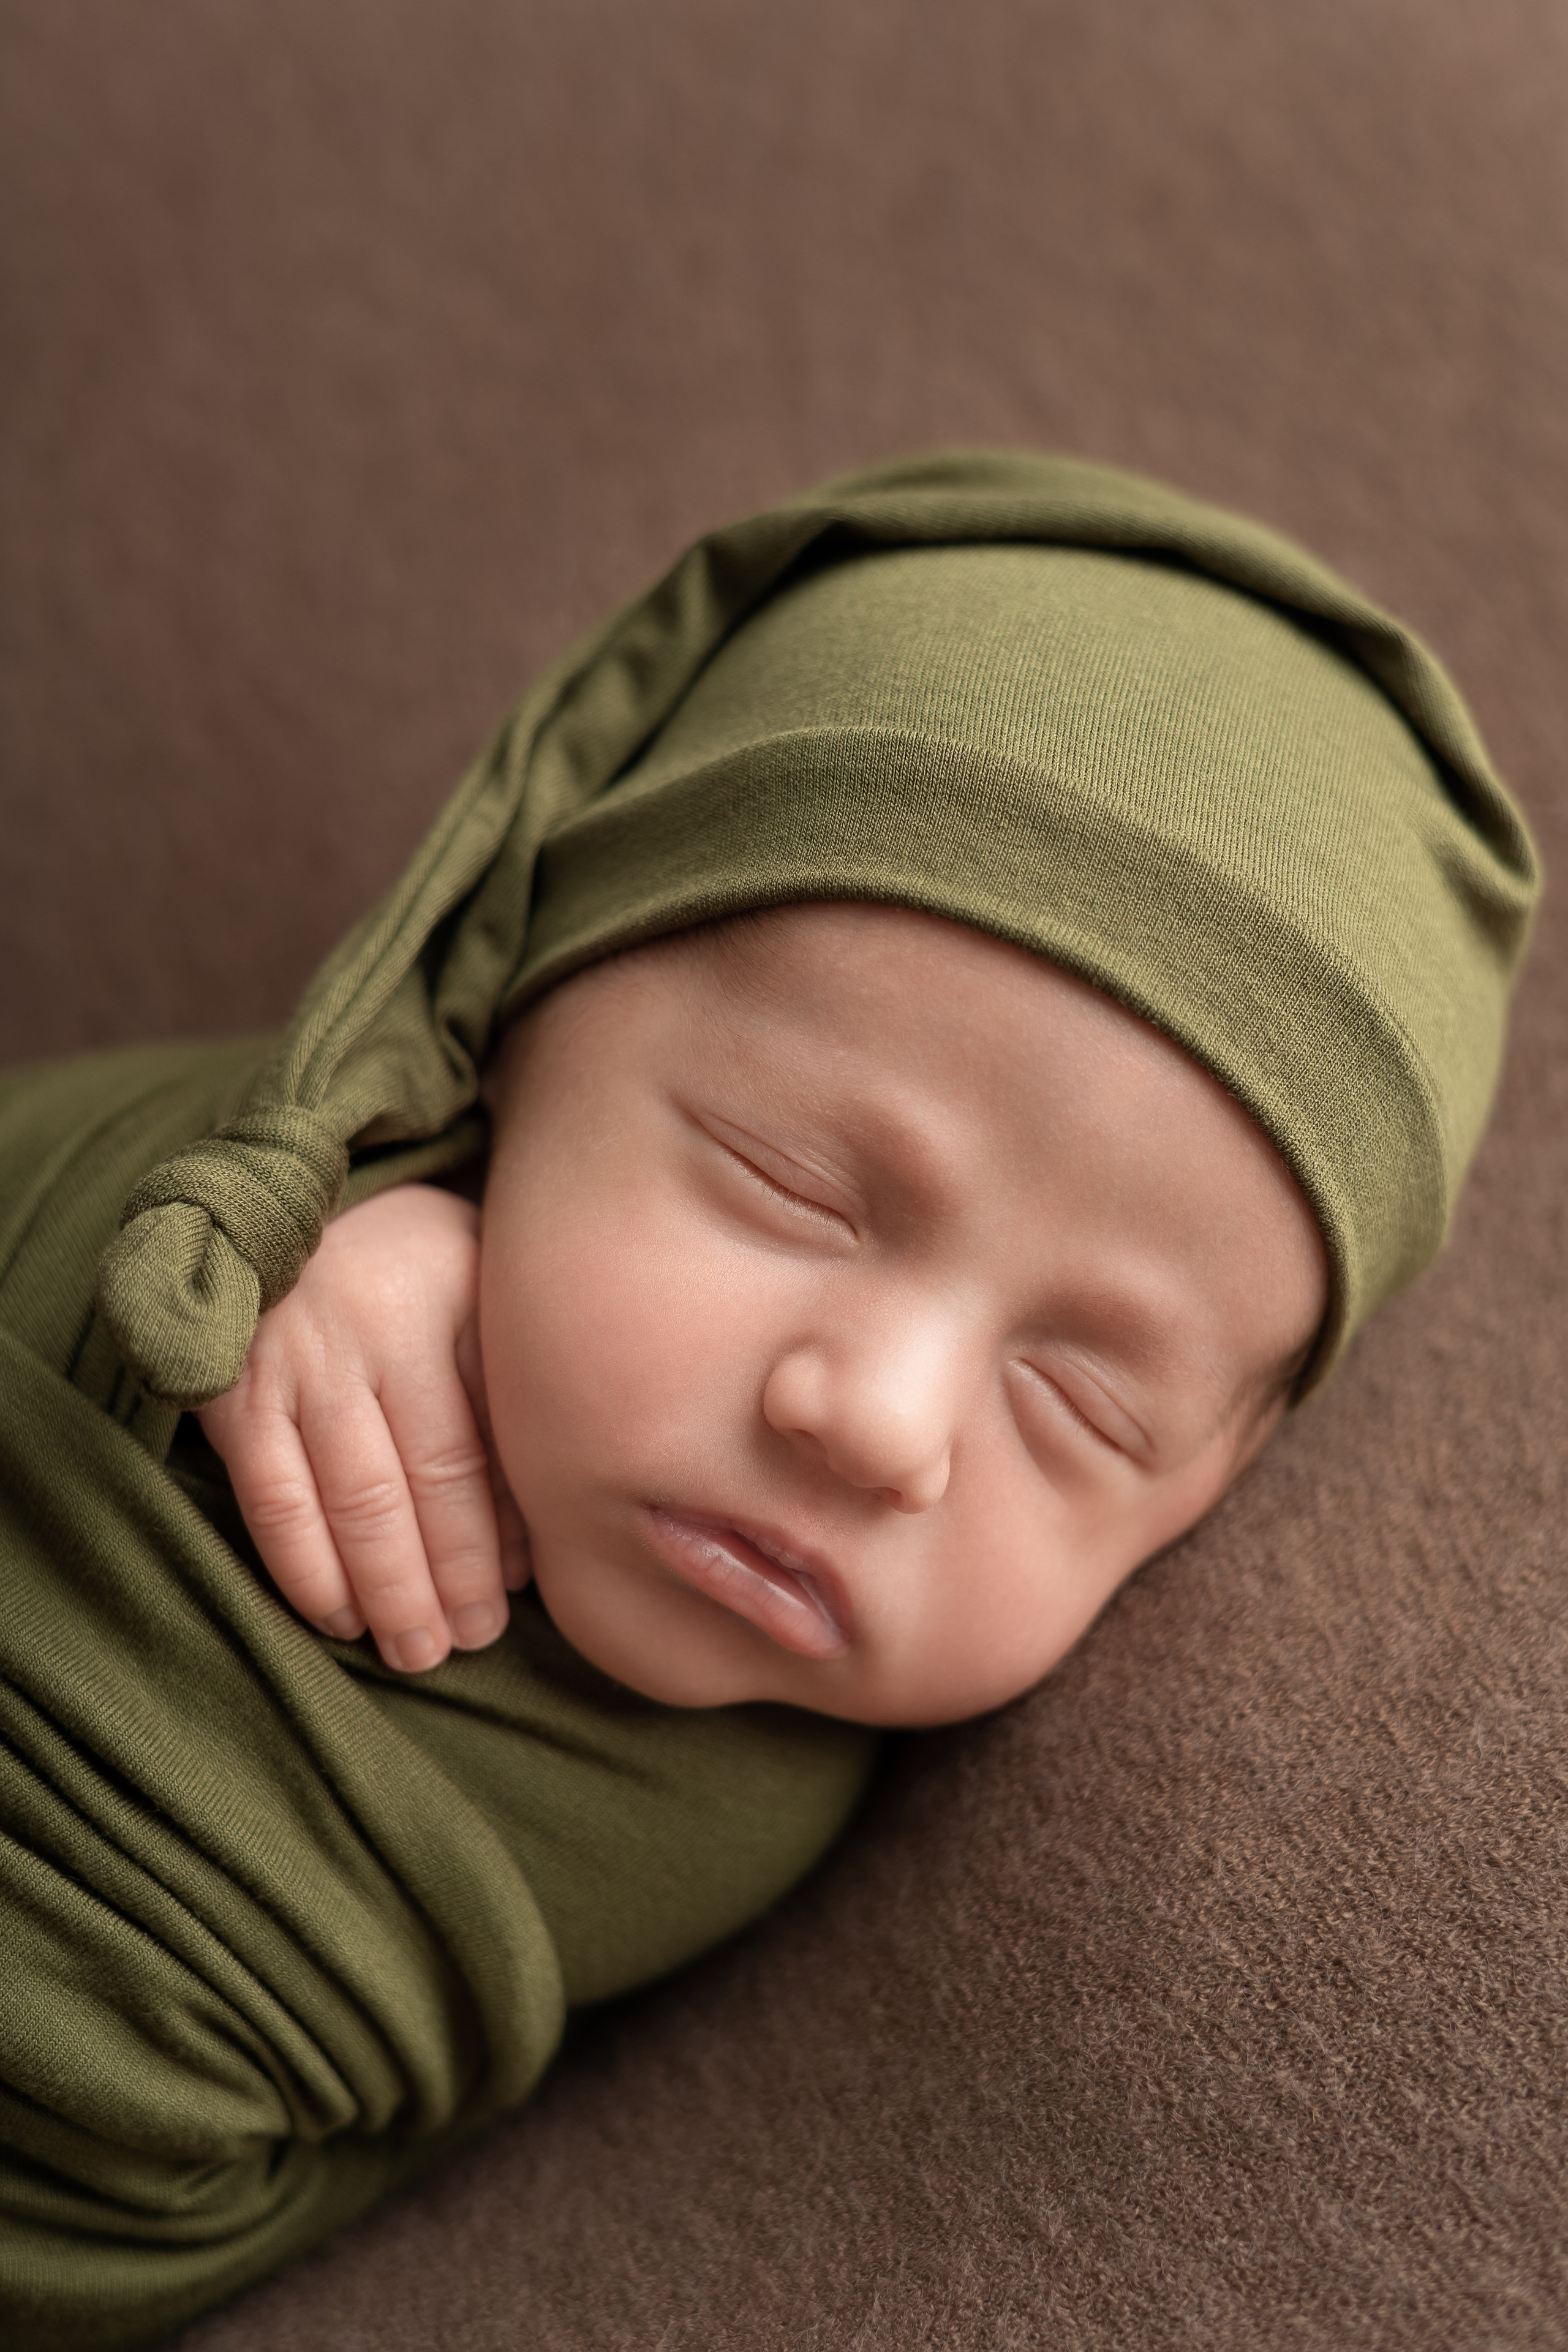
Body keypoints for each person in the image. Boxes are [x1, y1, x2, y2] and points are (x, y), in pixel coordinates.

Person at [1, 452, 1539, 2349]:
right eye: (793, 1188)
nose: (882, 1423)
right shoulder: (285, 1224)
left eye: (1083, 1404)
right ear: (530, 1016)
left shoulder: (795, 1812)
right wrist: (320, 1195)